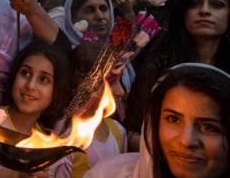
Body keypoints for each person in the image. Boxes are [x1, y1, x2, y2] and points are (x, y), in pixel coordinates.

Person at [125, 0, 230, 149]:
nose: (204, 10)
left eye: (216, 4)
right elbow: (131, 133)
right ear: (183, 12)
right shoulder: (159, 67)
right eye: (194, 4)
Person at [85, 63, 230, 178]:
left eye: (209, 127)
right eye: (173, 119)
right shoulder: (108, 174)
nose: (187, 141)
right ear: (153, 124)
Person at [0, 40, 89, 178]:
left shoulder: (50, 150)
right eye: (25, 73)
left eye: (43, 79)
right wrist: (16, 174)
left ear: (56, 90)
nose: (30, 85)